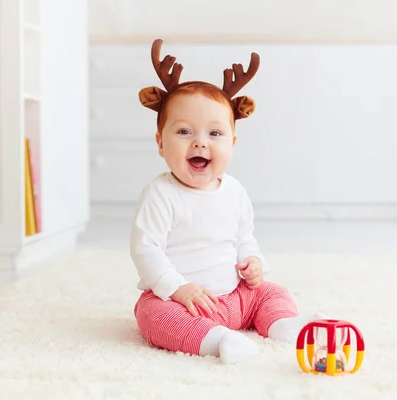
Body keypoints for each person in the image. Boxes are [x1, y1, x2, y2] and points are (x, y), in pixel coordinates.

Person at [129, 39, 324, 364]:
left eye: (214, 134)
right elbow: (146, 250)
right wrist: (178, 289)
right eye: (184, 132)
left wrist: (252, 261)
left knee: (271, 292)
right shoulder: (160, 195)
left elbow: (243, 237)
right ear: (160, 143)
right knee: (151, 314)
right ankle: (218, 341)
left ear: (232, 144)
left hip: (235, 297)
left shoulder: (234, 192)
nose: (200, 143)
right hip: (184, 303)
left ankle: (284, 326)